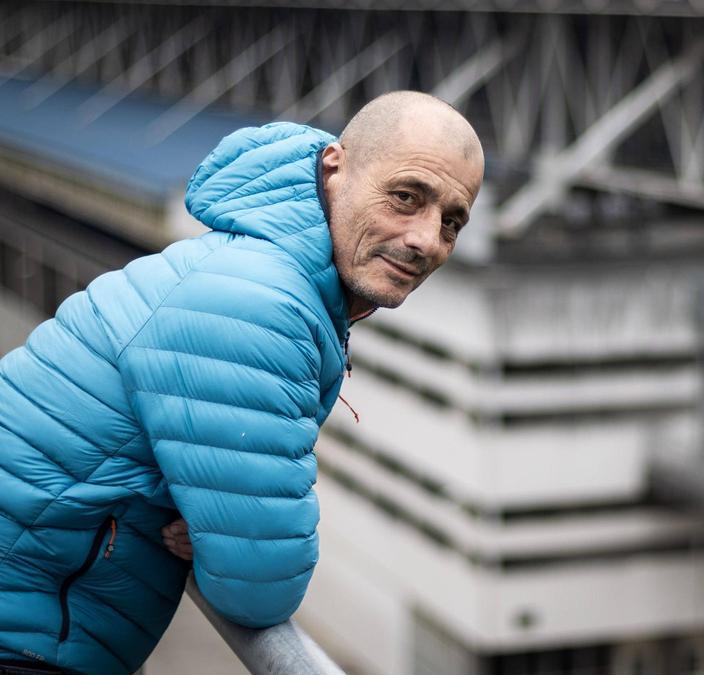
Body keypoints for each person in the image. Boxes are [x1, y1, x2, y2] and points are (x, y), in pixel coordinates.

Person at [0, 91, 484, 674]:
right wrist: (220, 536)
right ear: (335, 167)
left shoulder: (264, 274)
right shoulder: (259, 305)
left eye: (451, 221)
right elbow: (260, 583)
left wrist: (213, 526)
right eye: (407, 197)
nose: (427, 240)